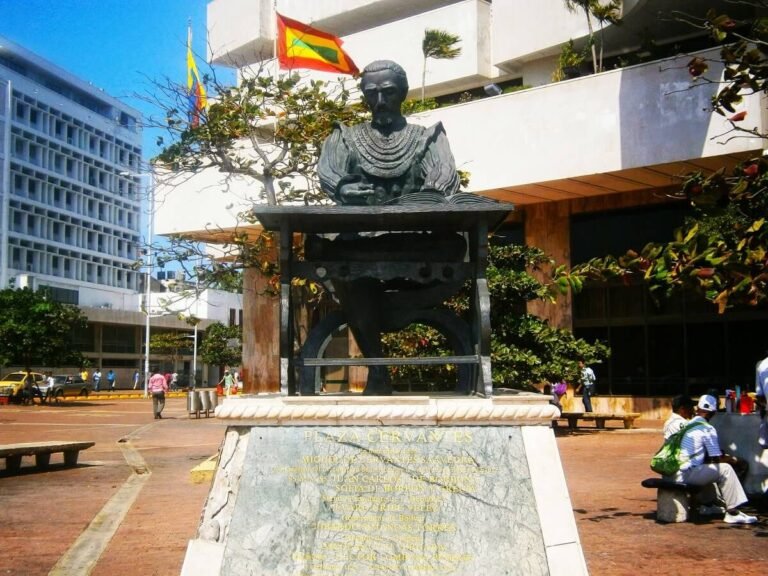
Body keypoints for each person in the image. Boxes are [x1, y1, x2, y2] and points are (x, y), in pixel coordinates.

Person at [316, 60, 462, 395]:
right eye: (372, 93)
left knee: (454, 247)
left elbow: (443, 179)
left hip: (415, 241)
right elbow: (331, 174)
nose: (380, 100)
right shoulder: (345, 138)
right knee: (342, 263)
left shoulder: (426, 138)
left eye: (389, 92)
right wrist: (344, 189)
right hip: (361, 245)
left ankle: (386, 334)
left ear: (403, 93)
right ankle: (378, 368)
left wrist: (422, 199)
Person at [678, 394, 757, 524]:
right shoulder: (707, 428)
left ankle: (707, 505)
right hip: (687, 473)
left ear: (697, 408)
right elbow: (716, 458)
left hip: (679, 471)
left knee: (707, 468)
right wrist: (734, 460)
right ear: (714, 413)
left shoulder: (688, 424)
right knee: (725, 469)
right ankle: (732, 512)